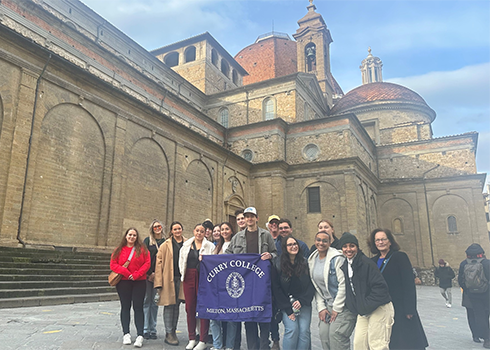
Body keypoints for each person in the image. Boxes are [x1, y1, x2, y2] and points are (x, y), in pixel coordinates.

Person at [225, 206, 277, 350]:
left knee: (263, 315)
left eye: (252, 216)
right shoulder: (237, 237)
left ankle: (264, 346)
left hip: (262, 283)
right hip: (245, 284)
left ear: (257, 218)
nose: (249, 219)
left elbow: (275, 253)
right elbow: (228, 255)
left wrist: (270, 256)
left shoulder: (265, 235)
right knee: (249, 318)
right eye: (247, 216)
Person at [368, 228, 428, 350]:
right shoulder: (372, 261)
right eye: (377, 240)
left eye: (383, 239)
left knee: (406, 341)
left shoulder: (400, 257)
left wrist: (409, 308)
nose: (381, 242)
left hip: (400, 306)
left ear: (390, 241)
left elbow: (408, 283)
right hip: (382, 307)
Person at [339, 232, 394, 350]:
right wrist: (355, 306)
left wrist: (365, 305)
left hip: (379, 307)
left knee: (377, 344)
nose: (348, 249)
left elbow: (381, 288)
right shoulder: (346, 265)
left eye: (352, 246)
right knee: (359, 344)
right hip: (364, 310)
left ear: (357, 247)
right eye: (345, 246)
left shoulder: (366, 263)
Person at [308, 230, 356, 350]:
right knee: (324, 335)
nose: (321, 243)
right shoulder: (312, 259)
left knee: (336, 336)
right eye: (318, 240)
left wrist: (337, 308)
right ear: (315, 242)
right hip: (327, 306)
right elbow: (317, 287)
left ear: (330, 243)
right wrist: (321, 308)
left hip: (343, 305)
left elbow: (343, 284)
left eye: (325, 241)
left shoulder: (337, 258)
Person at [271, 235, 314, 350]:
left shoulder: (305, 262)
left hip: (303, 303)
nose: (293, 246)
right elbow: (276, 288)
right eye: (290, 245)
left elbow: (311, 284)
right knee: (292, 329)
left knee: (304, 331)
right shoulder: (278, 264)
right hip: (287, 304)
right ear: (285, 247)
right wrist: (288, 309)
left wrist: (302, 301)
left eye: (295, 244)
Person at [110, 228, 150, 348]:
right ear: (126, 236)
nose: (132, 237)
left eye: (134, 235)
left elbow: (147, 263)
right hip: (123, 282)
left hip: (139, 282)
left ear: (137, 237)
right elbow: (113, 264)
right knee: (125, 307)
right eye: (130, 235)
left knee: (138, 307)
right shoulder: (118, 250)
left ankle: (140, 335)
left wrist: (137, 274)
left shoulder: (142, 249)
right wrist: (126, 272)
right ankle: (126, 333)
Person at [180, 223, 215, 350]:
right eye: (197, 231)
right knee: (190, 308)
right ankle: (191, 338)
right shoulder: (186, 246)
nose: (199, 233)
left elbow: (213, 263)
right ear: (193, 231)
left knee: (203, 308)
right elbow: (181, 261)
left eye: (202, 231)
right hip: (189, 276)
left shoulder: (210, 246)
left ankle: (203, 339)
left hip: (203, 278)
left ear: (205, 232)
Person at [154, 221, 186, 346]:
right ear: (171, 231)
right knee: (169, 305)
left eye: (179, 228)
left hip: (182, 279)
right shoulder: (165, 245)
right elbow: (158, 264)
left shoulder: (188, 243)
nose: (177, 231)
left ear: (182, 230)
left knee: (177, 305)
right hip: (168, 278)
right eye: (175, 229)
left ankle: (173, 331)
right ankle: (168, 333)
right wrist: (158, 282)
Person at [210, 222, 237, 350]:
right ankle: (217, 345)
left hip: (232, 285)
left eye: (227, 229)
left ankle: (230, 346)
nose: (224, 231)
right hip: (217, 286)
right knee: (214, 317)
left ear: (232, 231)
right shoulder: (216, 247)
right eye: (222, 229)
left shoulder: (236, 245)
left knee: (231, 317)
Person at [458, 243, 490, 347]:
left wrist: (468, 290)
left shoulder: (463, 264)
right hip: (487, 294)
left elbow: (460, 281)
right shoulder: (486, 263)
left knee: (479, 316)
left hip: (473, 295)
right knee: (486, 315)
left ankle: (486, 339)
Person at [142, 220, 166, 340]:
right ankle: (146, 329)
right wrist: (149, 273)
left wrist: (157, 274)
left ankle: (153, 329)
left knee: (155, 302)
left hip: (159, 276)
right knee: (147, 301)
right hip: (148, 275)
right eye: (155, 226)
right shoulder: (147, 241)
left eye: (159, 226)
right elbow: (143, 257)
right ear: (152, 228)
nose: (157, 228)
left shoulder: (166, 241)